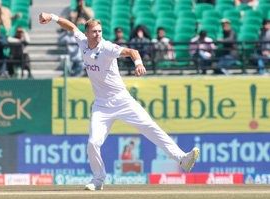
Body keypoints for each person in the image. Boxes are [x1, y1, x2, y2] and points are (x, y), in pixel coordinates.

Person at [39, 12, 199, 191]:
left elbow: (132, 51)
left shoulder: (107, 47)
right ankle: (98, 179)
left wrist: (138, 63)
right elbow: (71, 26)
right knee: (93, 143)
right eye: (94, 32)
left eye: (100, 31)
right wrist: (51, 16)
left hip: (123, 100)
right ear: (88, 33)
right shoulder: (82, 42)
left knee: (151, 127)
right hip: (101, 105)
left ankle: (182, 159)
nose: (98, 34)